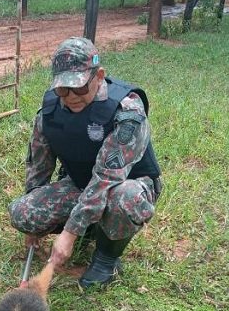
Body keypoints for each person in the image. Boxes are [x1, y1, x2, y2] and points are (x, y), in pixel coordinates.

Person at [9, 37, 162, 289]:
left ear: (98, 76)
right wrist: (33, 228)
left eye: (79, 87)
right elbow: (39, 166)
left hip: (125, 185)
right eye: (63, 89)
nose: (70, 97)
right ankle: (91, 227)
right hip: (80, 184)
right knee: (23, 213)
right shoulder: (50, 111)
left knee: (124, 197)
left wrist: (70, 232)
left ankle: (106, 257)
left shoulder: (127, 110)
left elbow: (107, 178)